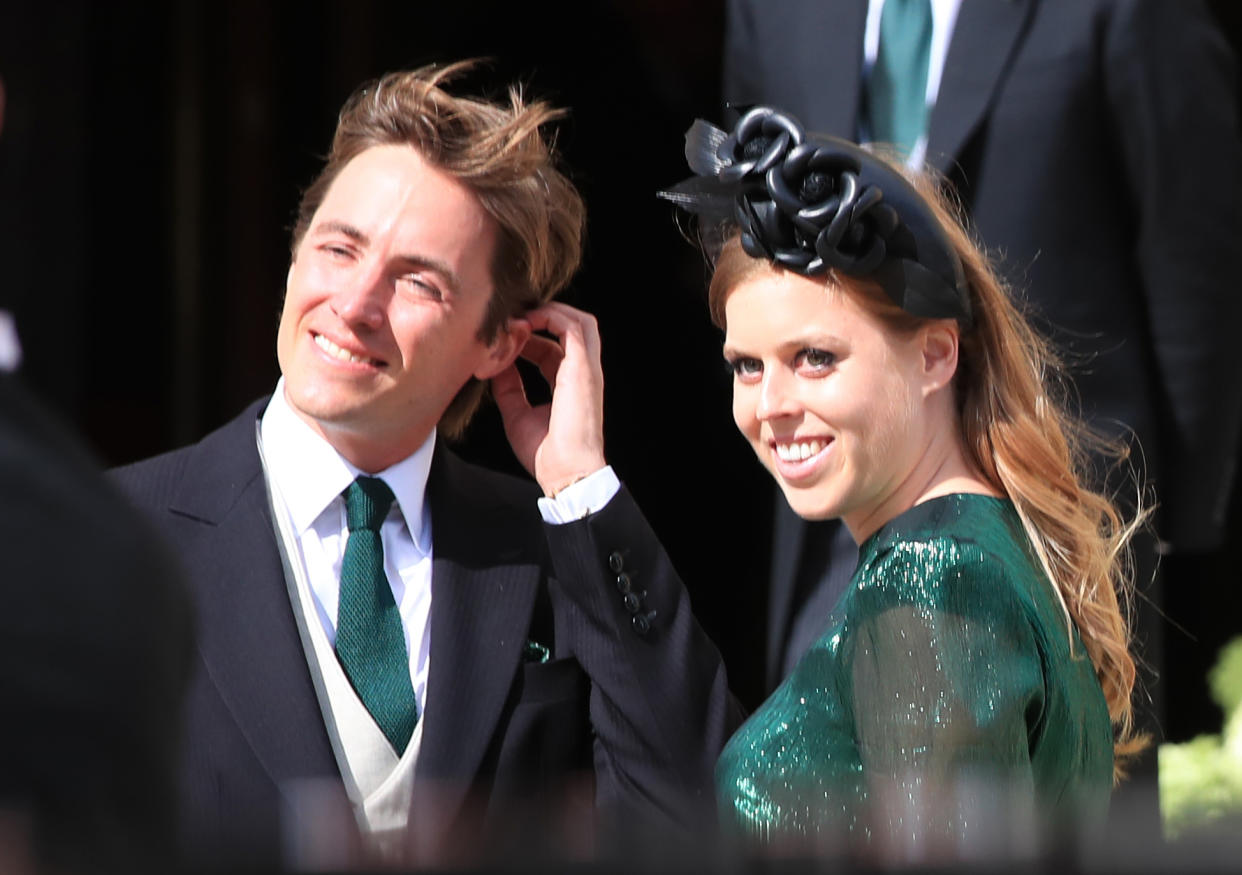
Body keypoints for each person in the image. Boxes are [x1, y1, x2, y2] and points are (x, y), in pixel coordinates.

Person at [112, 61, 738, 871]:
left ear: (500, 342)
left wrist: (583, 490)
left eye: (416, 281)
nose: (356, 303)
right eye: (339, 248)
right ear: (296, 254)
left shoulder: (556, 554)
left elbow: (688, 816)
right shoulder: (117, 537)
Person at [721, 0, 1242, 741]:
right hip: (828, 525)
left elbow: (1196, 259)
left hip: (1056, 511)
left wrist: (1173, 548)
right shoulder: (775, 13)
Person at [660, 106, 1145, 856]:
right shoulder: (980, 549)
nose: (772, 406)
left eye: (816, 356)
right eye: (746, 366)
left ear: (935, 356)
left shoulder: (933, 580)